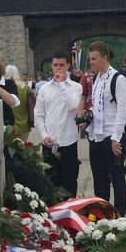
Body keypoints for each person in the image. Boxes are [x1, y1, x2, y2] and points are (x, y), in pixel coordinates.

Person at [78, 41, 126, 215]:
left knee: (117, 178)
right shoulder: (97, 78)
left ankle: (121, 215)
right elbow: (99, 105)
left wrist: (116, 137)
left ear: (104, 58)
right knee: (99, 179)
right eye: (90, 58)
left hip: (112, 136)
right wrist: (88, 114)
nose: (91, 62)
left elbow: (123, 110)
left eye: (94, 58)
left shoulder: (118, 79)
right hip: (97, 136)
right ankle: (104, 215)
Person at [35, 52, 83, 197]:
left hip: (68, 141)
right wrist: (43, 135)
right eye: (55, 65)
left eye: (61, 65)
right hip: (50, 141)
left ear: (68, 65)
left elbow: (73, 106)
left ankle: (70, 213)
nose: (58, 69)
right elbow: (39, 114)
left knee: (69, 182)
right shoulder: (44, 89)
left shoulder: (76, 87)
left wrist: (62, 84)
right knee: (51, 182)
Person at [5, 65, 35, 140]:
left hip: (8, 126)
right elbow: (34, 101)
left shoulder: (3, 88)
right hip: (24, 125)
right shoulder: (25, 87)